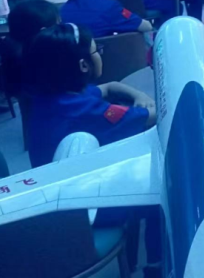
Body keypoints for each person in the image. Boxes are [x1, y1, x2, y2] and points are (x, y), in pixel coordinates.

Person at [23, 23, 162, 277]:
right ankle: (156, 266)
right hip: (79, 215)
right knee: (158, 191)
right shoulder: (85, 111)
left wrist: (136, 94)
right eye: (97, 51)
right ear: (83, 65)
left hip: (54, 193)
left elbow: (109, 86)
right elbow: (155, 115)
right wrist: (146, 102)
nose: (100, 55)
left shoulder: (55, 97)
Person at [0, 0, 61, 99]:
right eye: (58, 24)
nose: (61, 26)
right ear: (44, 31)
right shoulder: (48, 58)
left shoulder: (10, 47)